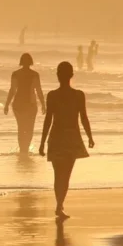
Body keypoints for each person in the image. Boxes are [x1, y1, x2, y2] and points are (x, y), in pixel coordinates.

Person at [39, 61, 94, 220]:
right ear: (71, 76)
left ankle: (59, 204)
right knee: (66, 175)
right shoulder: (78, 95)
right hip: (71, 138)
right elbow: (84, 118)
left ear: (58, 76)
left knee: (58, 174)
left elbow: (48, 120)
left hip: (56, 137)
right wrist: (90, 136)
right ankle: (59, 205)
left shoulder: (52, 95)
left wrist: (42, 142)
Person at [4, 53, 45, 155]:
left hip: (18, 104)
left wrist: (7, 104)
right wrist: (44, 104)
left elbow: (12, 90)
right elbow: (39, 90)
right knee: (29, 128)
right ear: (31, 61)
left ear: (21, 61)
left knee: (21, 128)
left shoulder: (16, 74)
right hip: (30, 105)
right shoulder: (35, 74)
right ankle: (25, 149)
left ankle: (23, 150)